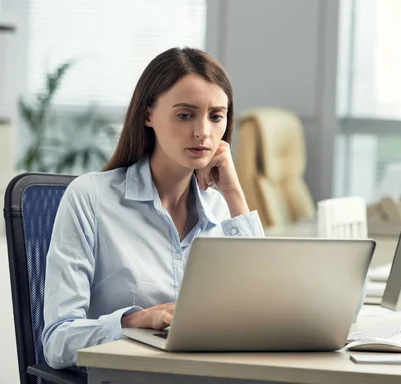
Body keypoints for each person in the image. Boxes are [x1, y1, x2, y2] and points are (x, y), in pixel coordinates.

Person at [41, 47, 264, 369]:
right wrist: (136, 321)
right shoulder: (90, 196)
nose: (203, 131)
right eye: (185, 115)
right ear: (148, 114)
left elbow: (264, 310)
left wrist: (234, 192)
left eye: (216, 116)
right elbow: (58, 342)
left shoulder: (221, 208)